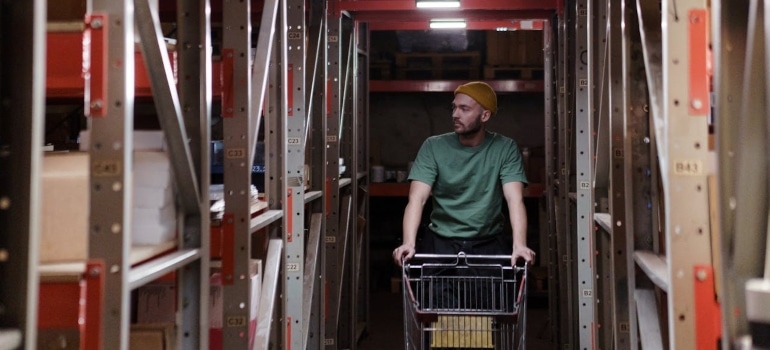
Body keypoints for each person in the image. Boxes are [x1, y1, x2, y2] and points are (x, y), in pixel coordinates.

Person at [392, 81, 536, 268]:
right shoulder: (433, 146)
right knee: (435, 298)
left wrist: (519, 245)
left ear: (485, 115)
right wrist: (409, 243)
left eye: (464, 109)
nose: (455, 115)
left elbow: (514, 199)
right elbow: (417, 199)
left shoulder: (505, 148)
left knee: (489, 298)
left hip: (488, 244)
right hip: (440, 244)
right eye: (454, 108)